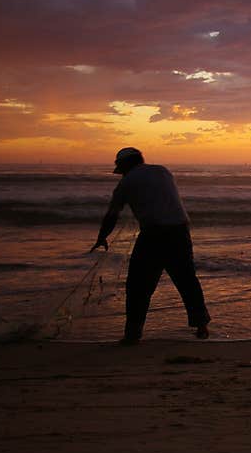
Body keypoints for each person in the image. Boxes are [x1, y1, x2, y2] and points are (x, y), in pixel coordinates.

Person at [90, 147, 210, 343]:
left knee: (138, 285)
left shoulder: (126, 183)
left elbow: (112, 215)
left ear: (125, 166)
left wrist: (102, 237)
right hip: (180, 231)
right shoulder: (163, 171)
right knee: (187, 280)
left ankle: (133, 333)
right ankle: (202, 325)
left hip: (153, 235)